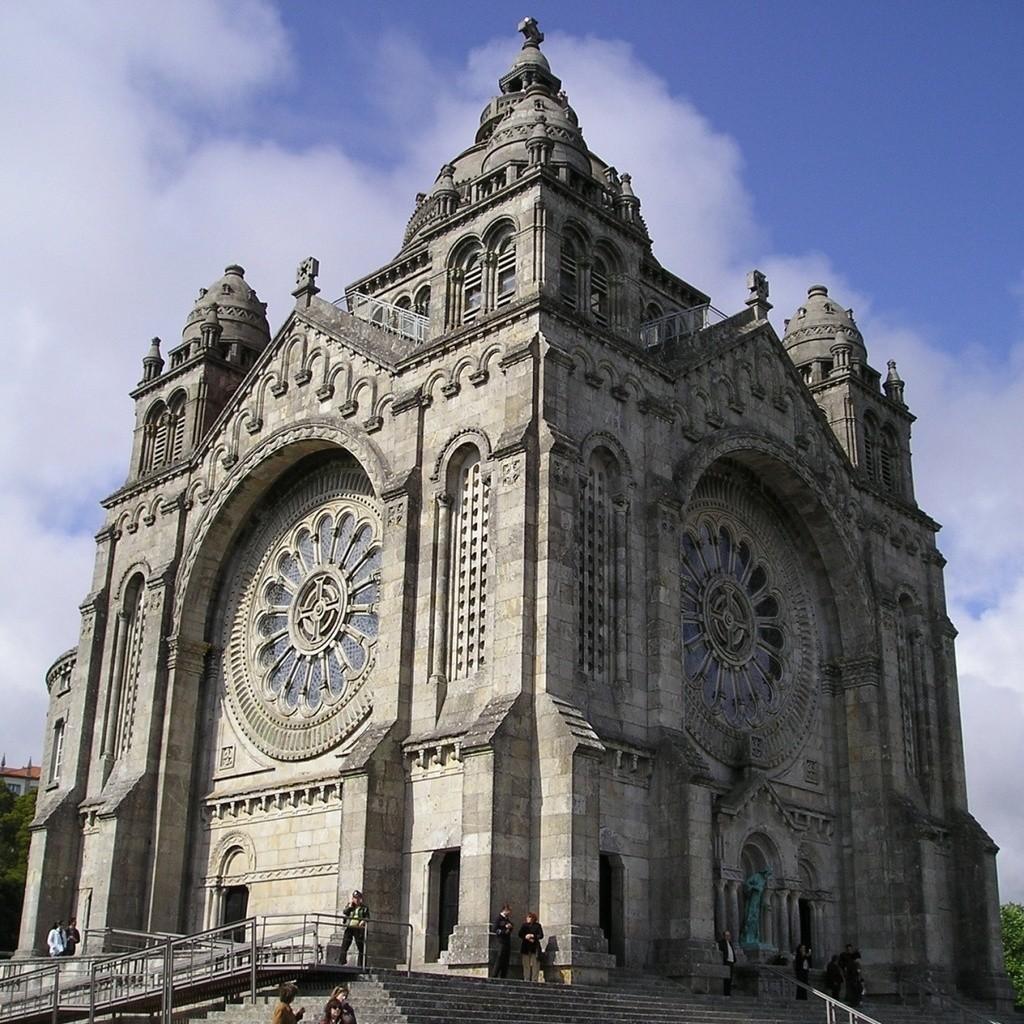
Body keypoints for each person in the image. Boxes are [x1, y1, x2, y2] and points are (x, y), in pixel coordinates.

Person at [340, 890, 369, 967]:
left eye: (358, 898)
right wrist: (350, 906)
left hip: (358, 928)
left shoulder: (364, 908)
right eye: (355, 898)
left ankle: (361, 964)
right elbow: (345, 912)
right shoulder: (350, 906)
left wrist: (363, 921)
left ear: (360, 899)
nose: (357, 900)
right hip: (349, 927)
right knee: (345, 944)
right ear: (353, 899)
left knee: (361, 946)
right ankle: (341, 962)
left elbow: (367, 917)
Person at [518, 911, 544, 982]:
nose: (528, 919)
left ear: (533, 918)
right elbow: (520, 934)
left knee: (535, 964)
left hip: (534, 947)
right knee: (526, 964)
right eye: (527, 917)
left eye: (529, 917)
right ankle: (526, 978)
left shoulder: (537, 926)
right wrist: (526, 936)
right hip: (525, 947)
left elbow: (541, 935)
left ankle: (534, 979)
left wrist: (533, 936)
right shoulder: (524, 925)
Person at [492, 903, 514, 978]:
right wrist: (503, 931)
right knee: (500, 958)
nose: (510, 913)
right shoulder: (498, 918)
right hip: (501, 941)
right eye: (509, 911)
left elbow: (510, 927)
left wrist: (510, 927)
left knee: (506, 960)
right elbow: (494, 929)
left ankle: (503, 976)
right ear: (505, 910)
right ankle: (494, 975)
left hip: (507, 941)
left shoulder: (507, 919)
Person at [717, 929, 736, 996]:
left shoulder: (730, 943)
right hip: (726, 961)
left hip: (731, 961)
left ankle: (728, 992)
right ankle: (726, 992)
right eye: (726, 935)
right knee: (726, 978)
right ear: (724, 936)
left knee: (730, 978)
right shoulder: (722, 943)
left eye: (729, 935)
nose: (728, 937)